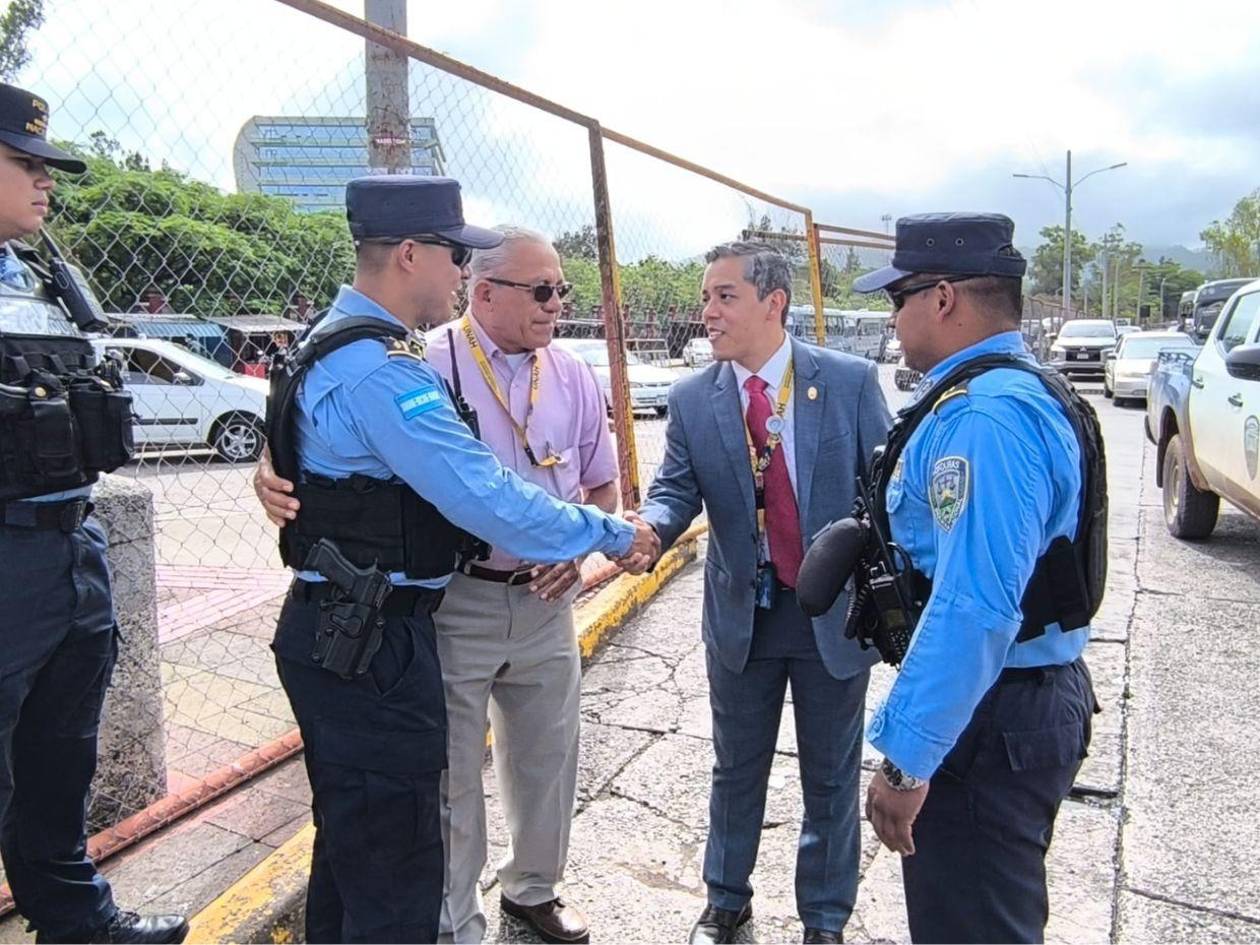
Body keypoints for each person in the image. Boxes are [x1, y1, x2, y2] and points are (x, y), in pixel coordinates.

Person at [256, 176, 657, 944]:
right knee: (401, 861)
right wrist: (613, 535)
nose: (459, 273)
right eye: (453, 256)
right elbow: (486, 498)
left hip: (362, 626)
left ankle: (525, 890)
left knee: (356, 850)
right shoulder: (391, 367)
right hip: (378, 638)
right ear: (411, 254)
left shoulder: (333, 342)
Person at [624, 242, 891, 944]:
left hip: (833, 615)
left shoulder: (849, 382)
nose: (707, 312)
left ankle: (824, 919)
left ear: (774, 303)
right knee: (736, 767)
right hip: (745, 614)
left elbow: (885, 490)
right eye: (705, 297)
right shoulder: (694, 398)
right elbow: (675, 489)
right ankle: (725, 901)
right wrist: (651, 530)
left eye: (725, 296)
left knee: (830, 776)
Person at [851, 213, 1102, 944]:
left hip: (991, 714)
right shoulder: (1003, 393)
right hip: (1005, 701)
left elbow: (976, 605)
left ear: (943, 298)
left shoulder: (986, 418)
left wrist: (907, 762)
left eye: (898, 298)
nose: (893, 319)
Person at [0, 82, 188, 943]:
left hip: (72, 541)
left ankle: (76, 920)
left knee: (60, 755)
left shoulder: (38, 276)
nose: (46, 182)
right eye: (24, 163)